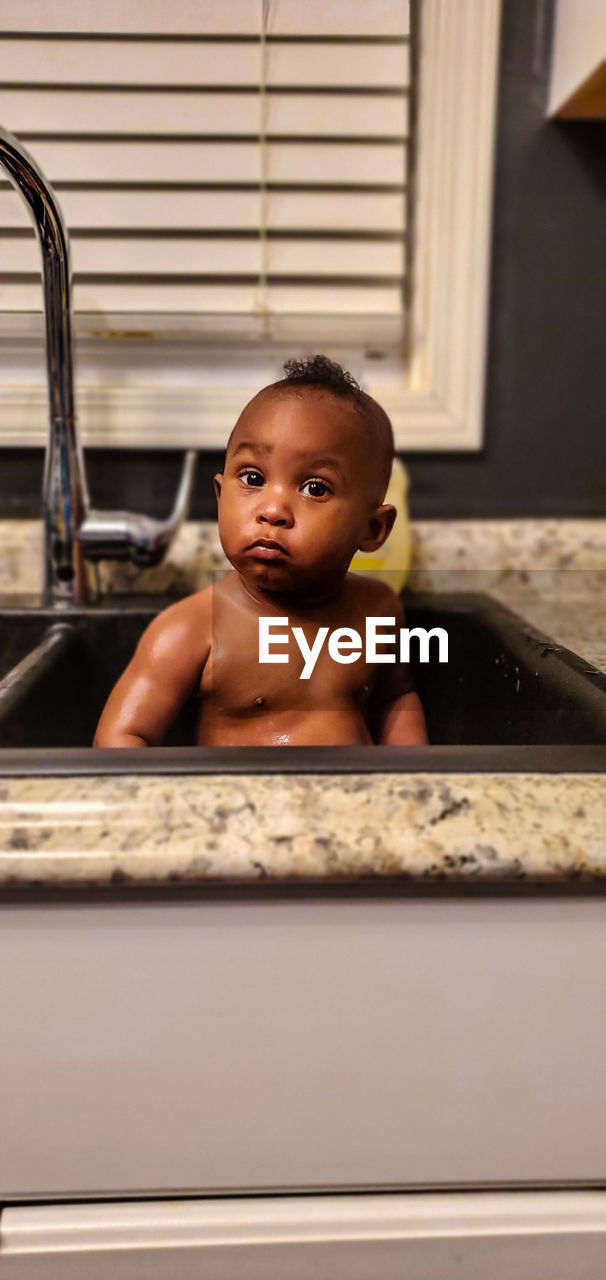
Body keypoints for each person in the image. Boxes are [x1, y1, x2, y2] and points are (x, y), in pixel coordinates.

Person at [94, 355, 428, 747]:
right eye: (253, 478)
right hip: (241, 807)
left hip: (356, 804)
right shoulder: (193, 627)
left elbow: (394, 699)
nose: (272, 511)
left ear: (372, 529)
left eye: (315, 488)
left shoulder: (377, 611)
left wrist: (413, 777)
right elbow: (123, 736)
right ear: (220, 496)